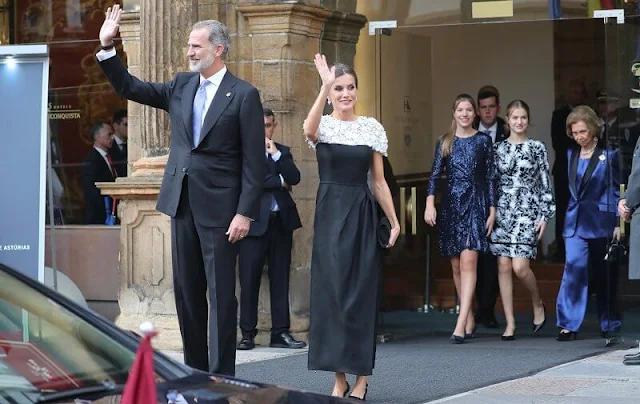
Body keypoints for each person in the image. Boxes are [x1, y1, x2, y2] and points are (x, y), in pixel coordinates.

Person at [97, 6, 265, 375]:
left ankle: (222, 379)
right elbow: (131, 87)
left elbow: (255, 162)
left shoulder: (243, 95)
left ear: (218, 49)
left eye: (196, 46)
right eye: (189, 46)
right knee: (188, 297)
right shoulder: (181, 84)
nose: (189, 51)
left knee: (221, 297)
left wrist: (244, 212)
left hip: (223, 212)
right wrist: (108, 50)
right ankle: (196, 376)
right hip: (182, 204)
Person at [303, 54, 400, 400]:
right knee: (332, 295)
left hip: (360, 213)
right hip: (330, 215)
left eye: (350, 87)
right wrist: (323, 86)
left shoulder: (371, 127)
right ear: (331, 92)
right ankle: (339, 376)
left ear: (357, 90)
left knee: (361, 294)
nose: (345, 94)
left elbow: (378, 182)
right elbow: (309, 130)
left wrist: (393, 219)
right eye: (338, 88)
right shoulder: (323, 125)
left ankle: (361, 378)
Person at [425, 94, 497, 344]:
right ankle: (468, 317)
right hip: (451, 206)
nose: (465, 114)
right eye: (460, 110)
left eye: (469, 110)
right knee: (456, 266)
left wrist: (492, 208)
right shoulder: (445, 142)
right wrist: (428, 204)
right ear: (454, 113)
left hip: (476, 204)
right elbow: (434, 175)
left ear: (475, 113)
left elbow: (490, 177)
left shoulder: (483, 141)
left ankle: (460, 322)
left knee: (469, 264)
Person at [237, 107, 306, 351]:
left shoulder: (283, 152)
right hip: (253, 224)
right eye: (259, 125)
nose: (263, 130)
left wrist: (277, 156)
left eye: (267, 125)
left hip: (281, 223)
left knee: (280, 279)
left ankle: (280, 332)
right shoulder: (242, 151)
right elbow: (249, 182)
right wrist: (279, 181)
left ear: (273, 126)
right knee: (249, 279)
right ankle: (247, 334)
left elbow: (295, 178)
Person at [489, 100, 554, 340]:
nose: (519, 122)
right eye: (515, 117)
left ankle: (538, 303)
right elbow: (492, 184)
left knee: (520, 267)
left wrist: (545, 215)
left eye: (523, 117)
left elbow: (545, 183)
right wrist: (491, 211)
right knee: (503, 266)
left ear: (528, 120)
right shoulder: (498, 149)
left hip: (528, 211)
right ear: (507, 120)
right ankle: (510, 322)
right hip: (503, 213)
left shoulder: (537, 148)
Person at [556, 105, 621, 341]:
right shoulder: (570, 154)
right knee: (573, 269)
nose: (579, 137)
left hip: (601, 221)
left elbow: (615, 191)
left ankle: (609, 321)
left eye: (583, 131)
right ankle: (568, 323)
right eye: (575, 133)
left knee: (604, 274)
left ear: (593, 129)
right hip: (574, 222)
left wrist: (617, 223)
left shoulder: (609, 154)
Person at [473, 85, 507, 329]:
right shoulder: (468, 127)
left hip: (502, 202)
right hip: (475, 202)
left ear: (498, 107)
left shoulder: (507, 129)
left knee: (494, 259)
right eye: (483, 107)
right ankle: (475, 309)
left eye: (491, 107)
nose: (487, 112)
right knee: (475, 258)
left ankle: (488, 310)